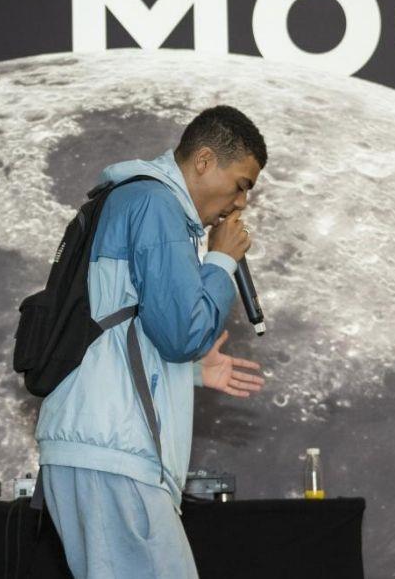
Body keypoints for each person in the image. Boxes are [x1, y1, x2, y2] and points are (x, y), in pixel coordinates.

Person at [34, 105, 268, 578]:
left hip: (94, 445)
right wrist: (220, 261)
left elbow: (122, 326)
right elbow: (182, 334)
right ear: (203, 161)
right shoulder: (156, 204)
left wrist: (193, 373)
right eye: (241, 184)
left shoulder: (132, 200)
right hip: (113, 452)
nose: (240, 203)